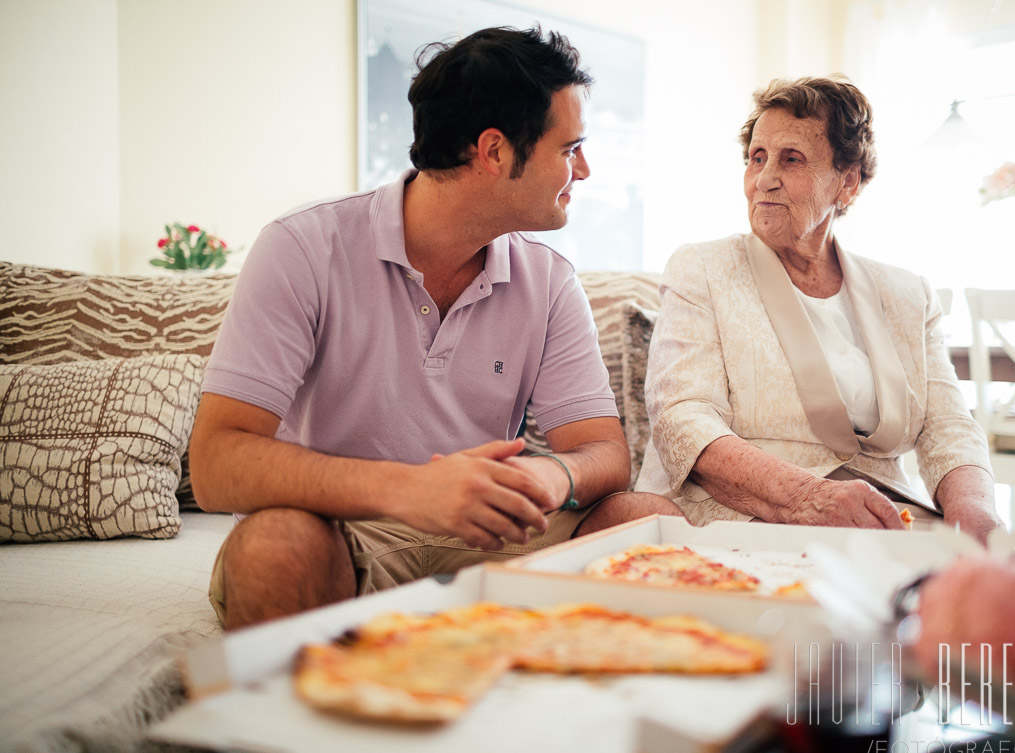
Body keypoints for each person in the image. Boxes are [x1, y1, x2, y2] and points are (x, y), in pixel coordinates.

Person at [190, 27, 680, 630]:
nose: (583, 169)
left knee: (646, 519)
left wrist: (553, 473)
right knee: (273, 551)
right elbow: (215, 464)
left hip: (494, 537)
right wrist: (408, 490)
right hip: (343, 532)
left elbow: (605, 452)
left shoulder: (549, 280)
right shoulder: (301, 248)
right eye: (569, 147)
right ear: (494, 151)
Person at [635, 75, 1002, 543]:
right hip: (734, 516)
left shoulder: (908, 293)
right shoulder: (703, 268)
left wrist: (973, 508)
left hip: (880, 518)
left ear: (847, 182)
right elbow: (682, 420)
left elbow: (947, 426)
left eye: (792, 159)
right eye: (756, 158)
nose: (764, 180)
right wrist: (808, 497)